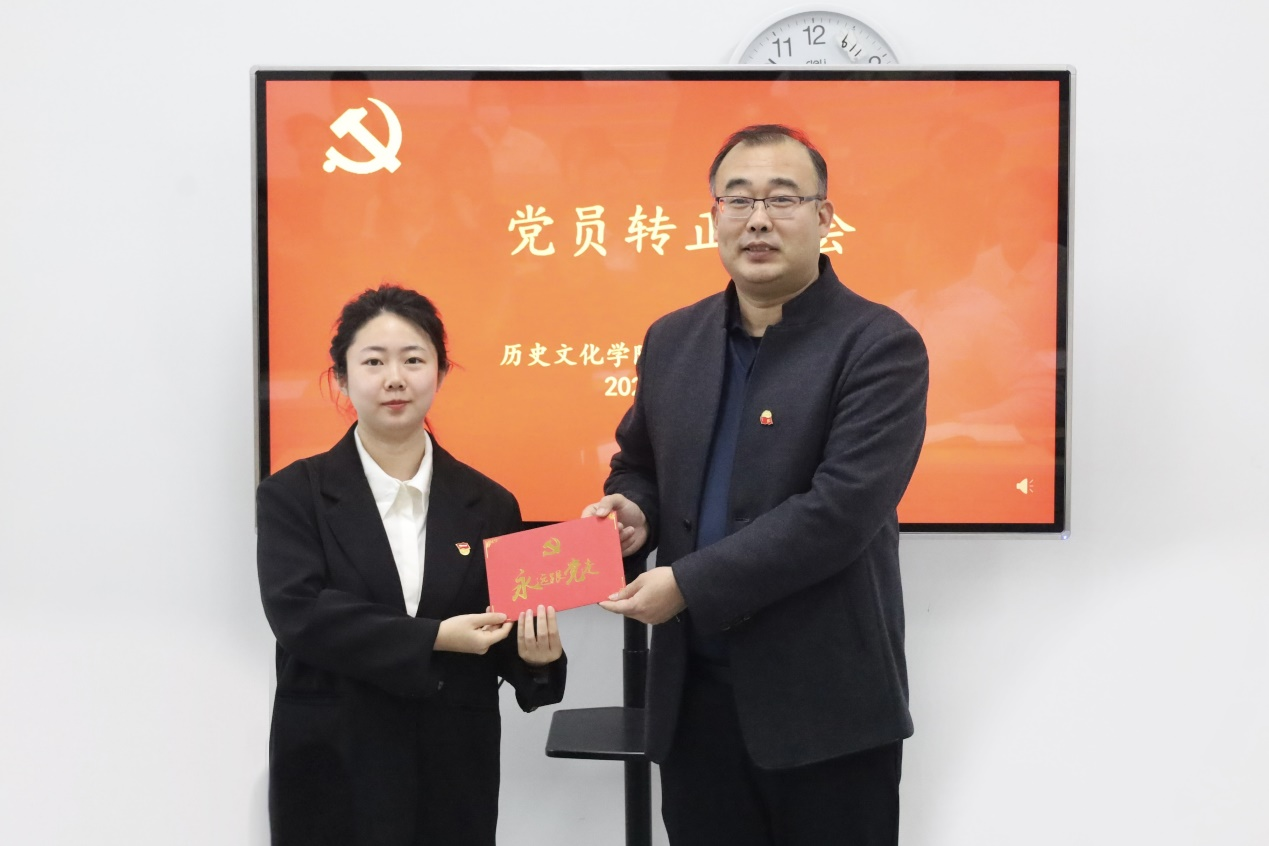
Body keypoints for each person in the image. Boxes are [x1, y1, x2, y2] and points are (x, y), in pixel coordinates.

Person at [583, 125, 928, 846]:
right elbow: (638, 462)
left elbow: (838, 513)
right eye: (737, 200)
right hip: (694, 703)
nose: (758, 220)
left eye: (782, 199)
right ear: (714, 217)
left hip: (826, 710)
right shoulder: (672, 339)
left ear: (824, 216)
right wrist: (635, 510)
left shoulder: (878, 344)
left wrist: (686, 583)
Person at [257, 285, 565, 846]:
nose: (394, 378)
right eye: (373, 362)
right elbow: (300, 615)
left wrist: (536, 658)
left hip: (450, 772)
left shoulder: (490, 503)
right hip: (332, 765)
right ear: (341, 378)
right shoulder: (293, 494)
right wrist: (435, 638)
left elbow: (500, 632)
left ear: (440, 373)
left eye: (414, 360)